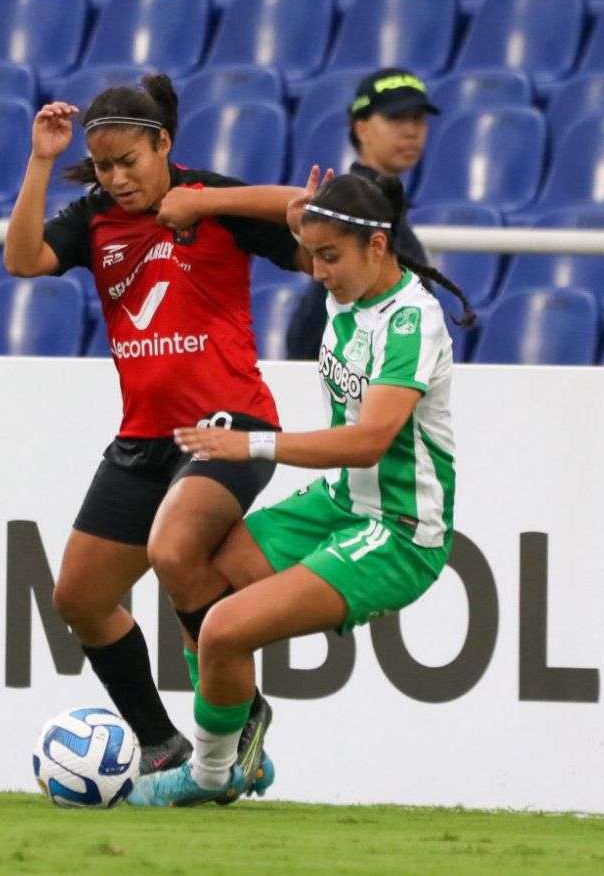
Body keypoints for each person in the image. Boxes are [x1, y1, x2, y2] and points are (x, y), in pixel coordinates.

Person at [130, 171, 476, 806]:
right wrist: (205, 202)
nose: (316, 272)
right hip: (341, 505)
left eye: (329, 257)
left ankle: (209, 774)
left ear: (378, 247)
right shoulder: (349, 267)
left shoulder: (410, 322)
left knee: (225, 629)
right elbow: (284, 208)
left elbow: (370, 440)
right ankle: (240, 730)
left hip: (398, 532)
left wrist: (253, 444)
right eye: (311, 254)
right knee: (187, 565)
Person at [3, 74, 308, 791]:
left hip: (228, 426)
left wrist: (208, 202)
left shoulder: (210, 200)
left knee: (176, 550)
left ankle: (236, 719)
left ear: (162, 144)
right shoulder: (95, 217)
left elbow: (305, 214)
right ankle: (163, 745)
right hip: (143, 439)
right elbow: (22, 261)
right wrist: (42, 161)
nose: (115, 179)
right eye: (103, 167)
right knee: (78, 598)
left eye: (128, 163)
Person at [286, 68, 438, 361]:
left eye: (418, 119)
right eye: (396, 118)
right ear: (361, 128)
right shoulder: (358, 210)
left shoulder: (370, 205)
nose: (410, 130)